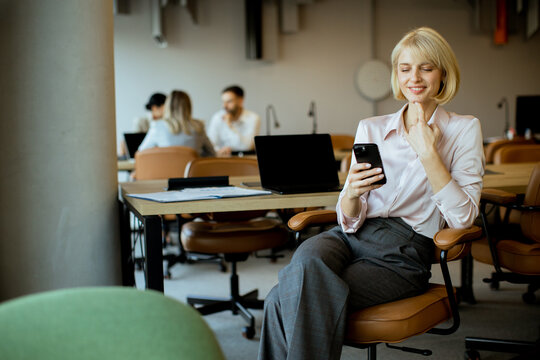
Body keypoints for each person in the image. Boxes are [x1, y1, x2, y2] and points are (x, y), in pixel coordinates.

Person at [258, 27, 485, 360]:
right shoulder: (372, 128)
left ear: (443, 73)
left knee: (281, 298)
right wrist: (350, 192)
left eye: (426, 67)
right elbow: (349, 216)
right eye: (405, 68)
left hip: (403, 250)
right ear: (396, 74)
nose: (415, 78)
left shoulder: (464, 129)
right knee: (307, 258)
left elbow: (463, 218)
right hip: (349, 235)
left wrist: (429, 154)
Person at [138, 90, 215, 157]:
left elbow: (141, 153)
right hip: (193, 173)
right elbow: (212, 153)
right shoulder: (199, 127)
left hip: (165, 172)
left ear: (168, 106)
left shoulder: (158, 126)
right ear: (188, 106)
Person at [207, 85, 261, 156]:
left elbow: (248, 147)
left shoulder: (253, 118)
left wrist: (230, 126)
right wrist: (218, 150)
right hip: (222, 159)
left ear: (240, 101)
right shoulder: (217, 117)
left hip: (245, 159)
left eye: (229, 101)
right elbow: (210, 144)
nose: (224, 106)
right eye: (223, 102)